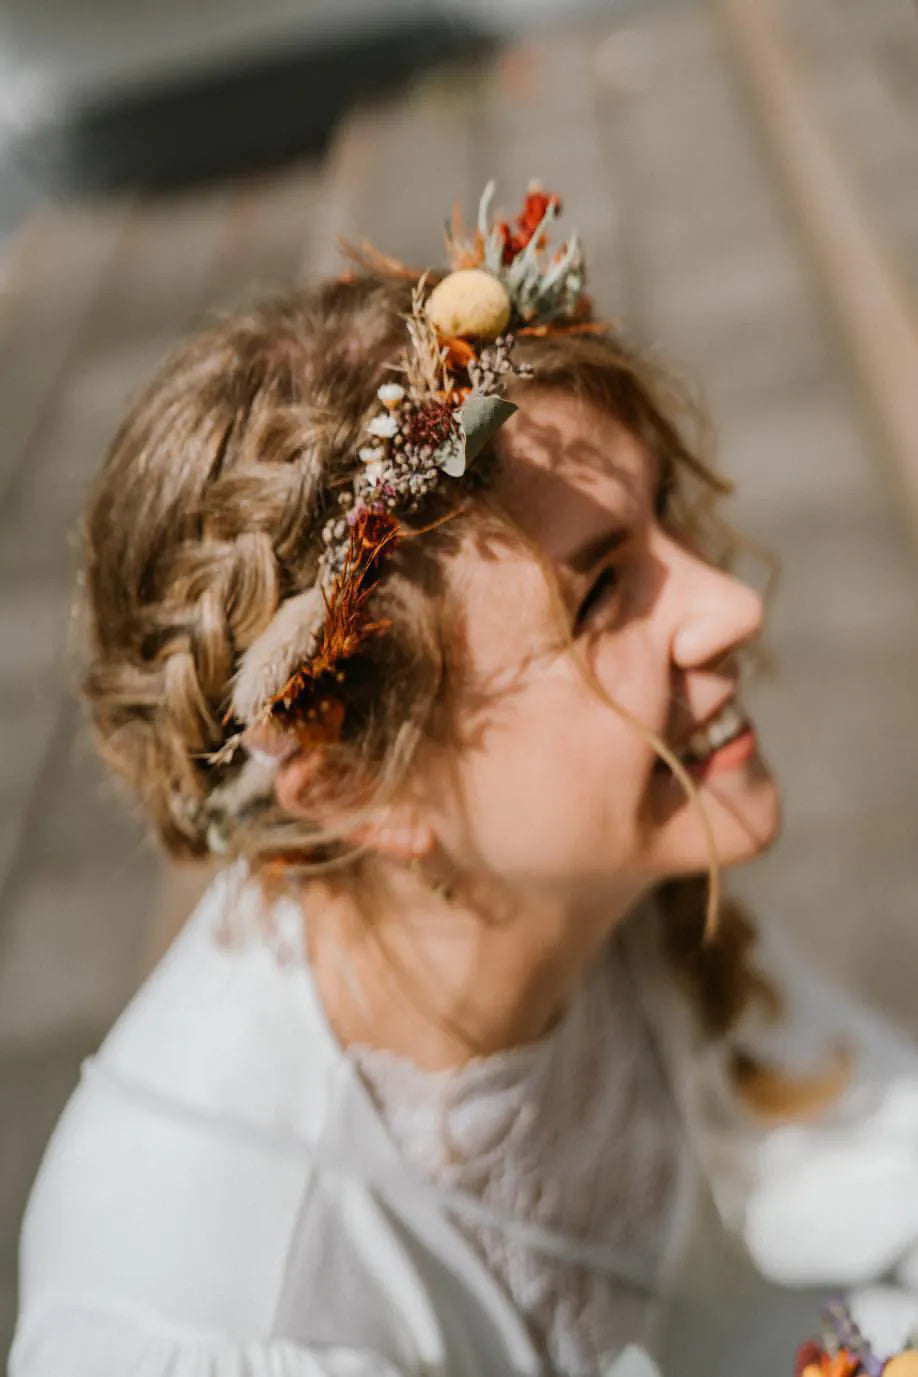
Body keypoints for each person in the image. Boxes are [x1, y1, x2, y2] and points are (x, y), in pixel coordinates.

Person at [10, 184, 918, 1377]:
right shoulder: (219, 1310)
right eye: (599, 596)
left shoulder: (596, 886)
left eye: (663, 529)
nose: (731, 605)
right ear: (351, 785)